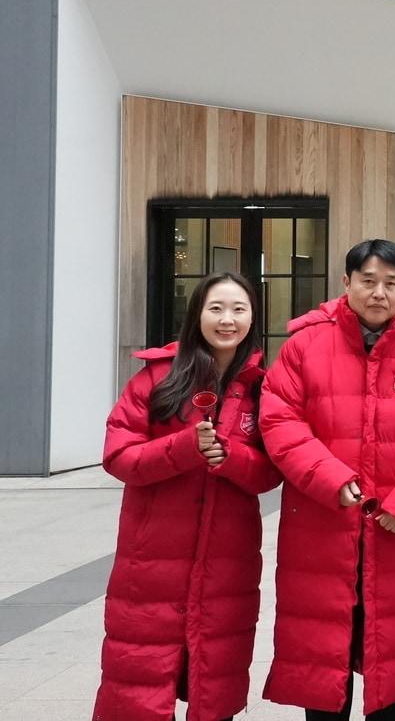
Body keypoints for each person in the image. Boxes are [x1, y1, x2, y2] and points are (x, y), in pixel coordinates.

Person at [260, 239, 395, 721]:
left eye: (390, 283)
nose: (379, 293)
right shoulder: (305, 344)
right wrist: (330, 479)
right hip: (322, 521)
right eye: (368, 281)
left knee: (390, 658)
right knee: (322, 656)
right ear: (347, 283)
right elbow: (279, 421)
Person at [95, 272, 280, 721]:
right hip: (152, 557)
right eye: (215, 308)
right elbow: (119, 456)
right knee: (139, 682)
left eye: (239, 309)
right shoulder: (158, 377)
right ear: (197, 314)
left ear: (253, 318)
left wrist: (228, 456)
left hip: (226, 560)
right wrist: (183, 449)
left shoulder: (262, 387)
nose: (227, 319)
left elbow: (271, 472)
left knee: (214, 681)